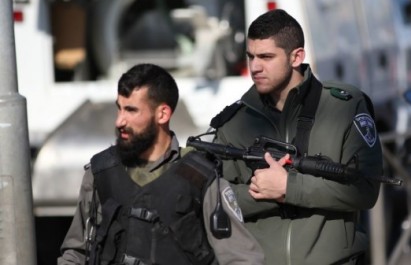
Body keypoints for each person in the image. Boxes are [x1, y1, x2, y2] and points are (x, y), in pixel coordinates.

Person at [210, 9, 383, 264]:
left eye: (266, 57)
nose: (255, 67)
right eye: (251, 56)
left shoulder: (344, 107)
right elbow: (215, 200)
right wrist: (263, 191)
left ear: (296, 57)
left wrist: (288, 188)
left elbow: (365, 190)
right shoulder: (235, 121)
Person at [57, 63, 264, 265]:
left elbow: (242, 258)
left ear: (162, 114)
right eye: (119, 109)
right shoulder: (100, 172)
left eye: (131, 110)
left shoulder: (202, 178)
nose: (120, 121)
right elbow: (75, 253)